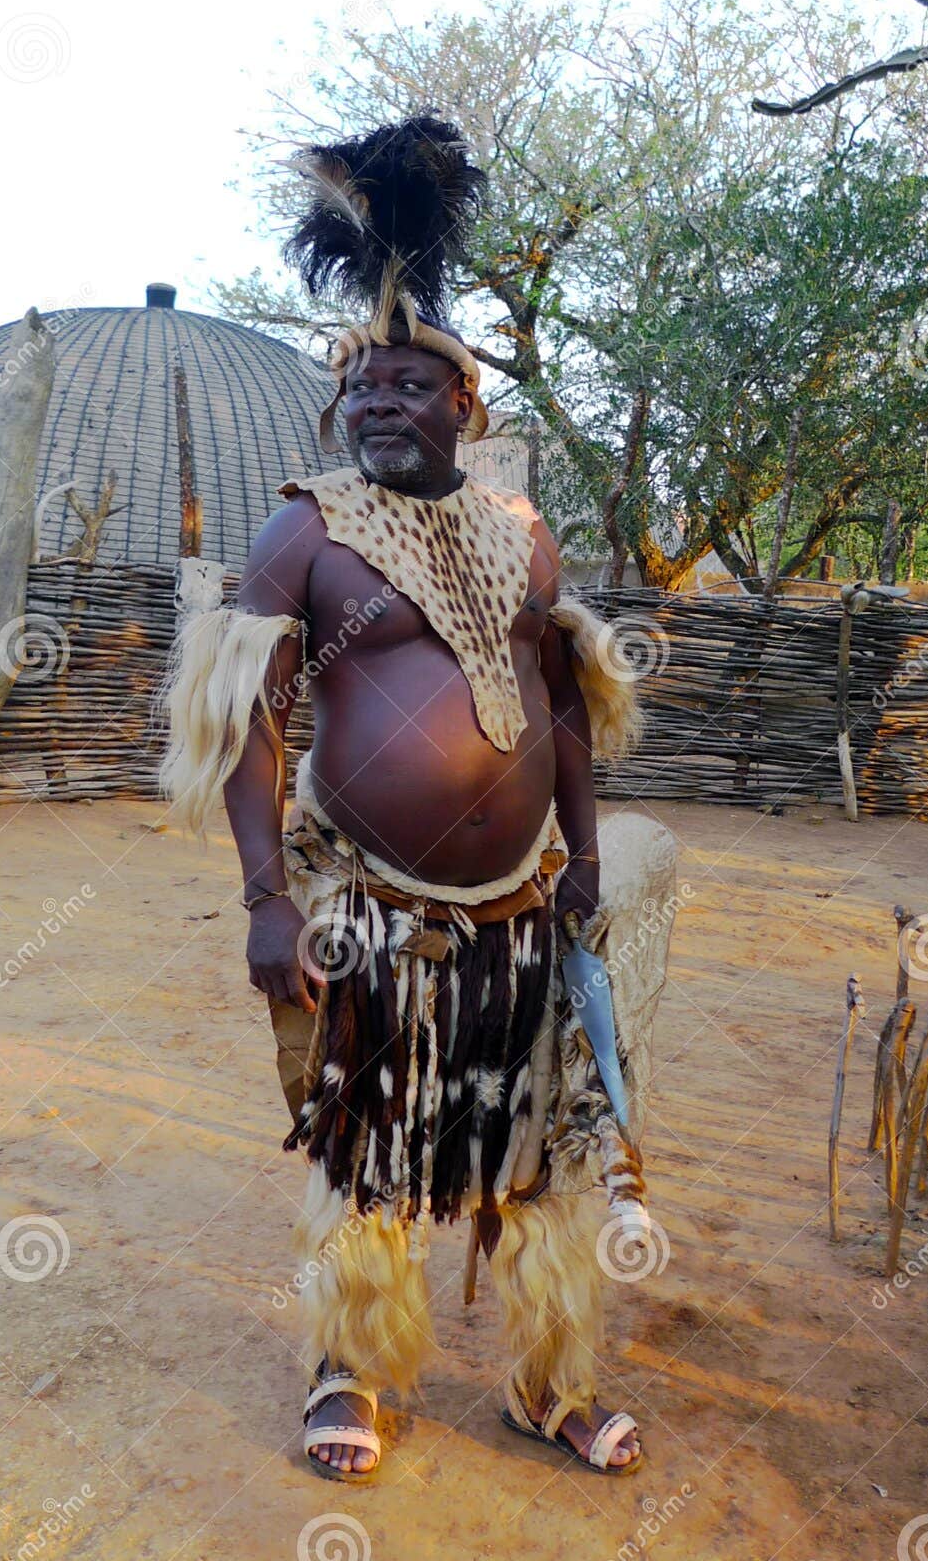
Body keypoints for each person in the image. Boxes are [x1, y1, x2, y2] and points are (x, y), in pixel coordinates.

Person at [160, 111, 670, 1485]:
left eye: (409, 385)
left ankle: (547, 1380)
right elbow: (243, 719)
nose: (381, 402)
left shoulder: (521, 535)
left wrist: (580, 849)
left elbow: (563, 699)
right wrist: (268, 898)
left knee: (545, 1156)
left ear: (465, 408)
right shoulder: (303, 529)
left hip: (519, 910)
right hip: (368, 908)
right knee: (366, 1143)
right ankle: (353, 1368)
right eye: (363, 387)